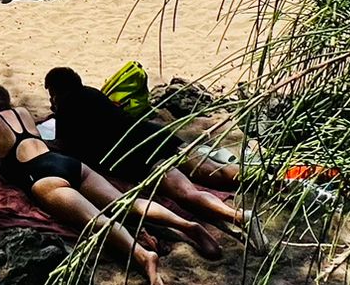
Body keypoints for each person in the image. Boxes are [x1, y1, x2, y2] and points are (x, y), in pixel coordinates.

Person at [0, 83, 216, 285]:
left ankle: (143, 256)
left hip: (41, 177)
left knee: (96, 220)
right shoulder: (22, 112)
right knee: (126, 201)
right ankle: (185, 224)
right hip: (67, 163)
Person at [42, 69, 252, 244]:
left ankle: (240, 217)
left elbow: (65, 146)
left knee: (187, 194)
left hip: (142, 155)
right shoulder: (92, 93)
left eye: (52, 94)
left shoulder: (68, 106)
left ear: (59, 91)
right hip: (155, 135)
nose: (51, 99)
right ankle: (283, 177)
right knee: (217, 171)